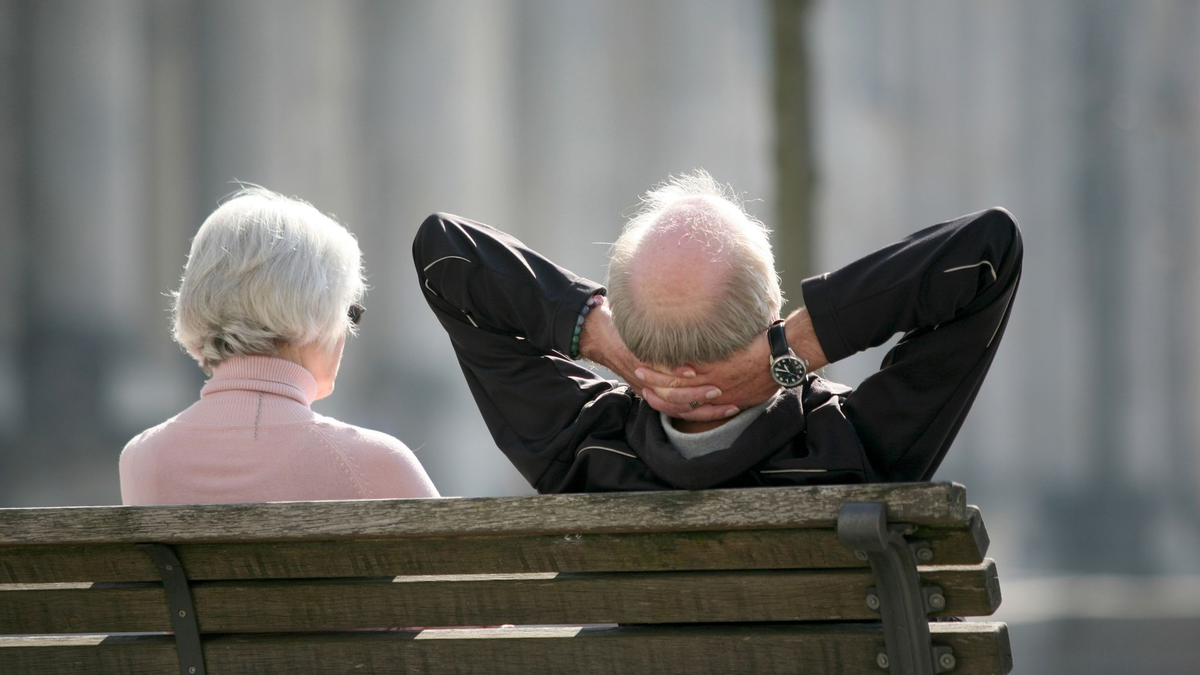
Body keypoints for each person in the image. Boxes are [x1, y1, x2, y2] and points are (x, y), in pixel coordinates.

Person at [413, 171, 1021, 493]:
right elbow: (988, 251)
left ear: (632, 328)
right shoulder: (857, 447)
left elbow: (447, 257)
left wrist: (601, 341)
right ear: (773, 303)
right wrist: (790, 353)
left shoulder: (579, 452)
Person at [120, 187, 439, 505]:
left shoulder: (142, 457)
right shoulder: (375, 462)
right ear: (318, 312)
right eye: (349, 313)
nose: (346, 333)